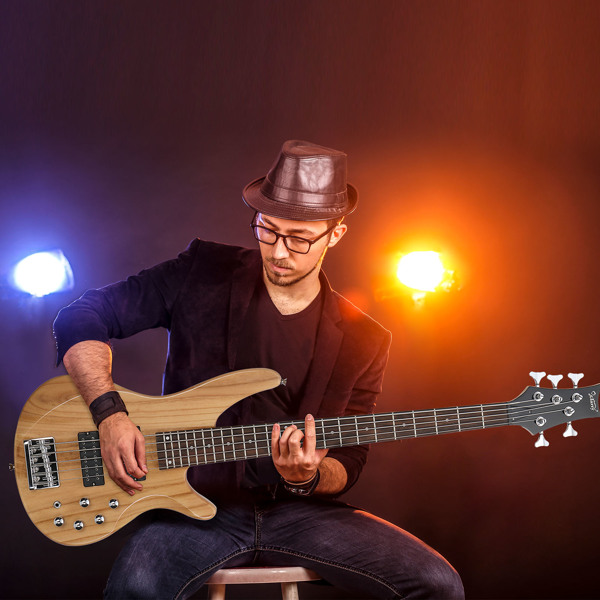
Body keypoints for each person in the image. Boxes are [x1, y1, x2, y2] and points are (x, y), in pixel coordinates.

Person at [53, 140, 464, 599]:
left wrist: (308, 476)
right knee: (136, 589)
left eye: (299, 238)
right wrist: (109, 413)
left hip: (298, 512)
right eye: (268, 230)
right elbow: (81, 316)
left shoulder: (364, 341)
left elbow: (350, 458)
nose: (279, 252)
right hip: (194, 507)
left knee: (438, 584)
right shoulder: (203, 272)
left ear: (335, 235)